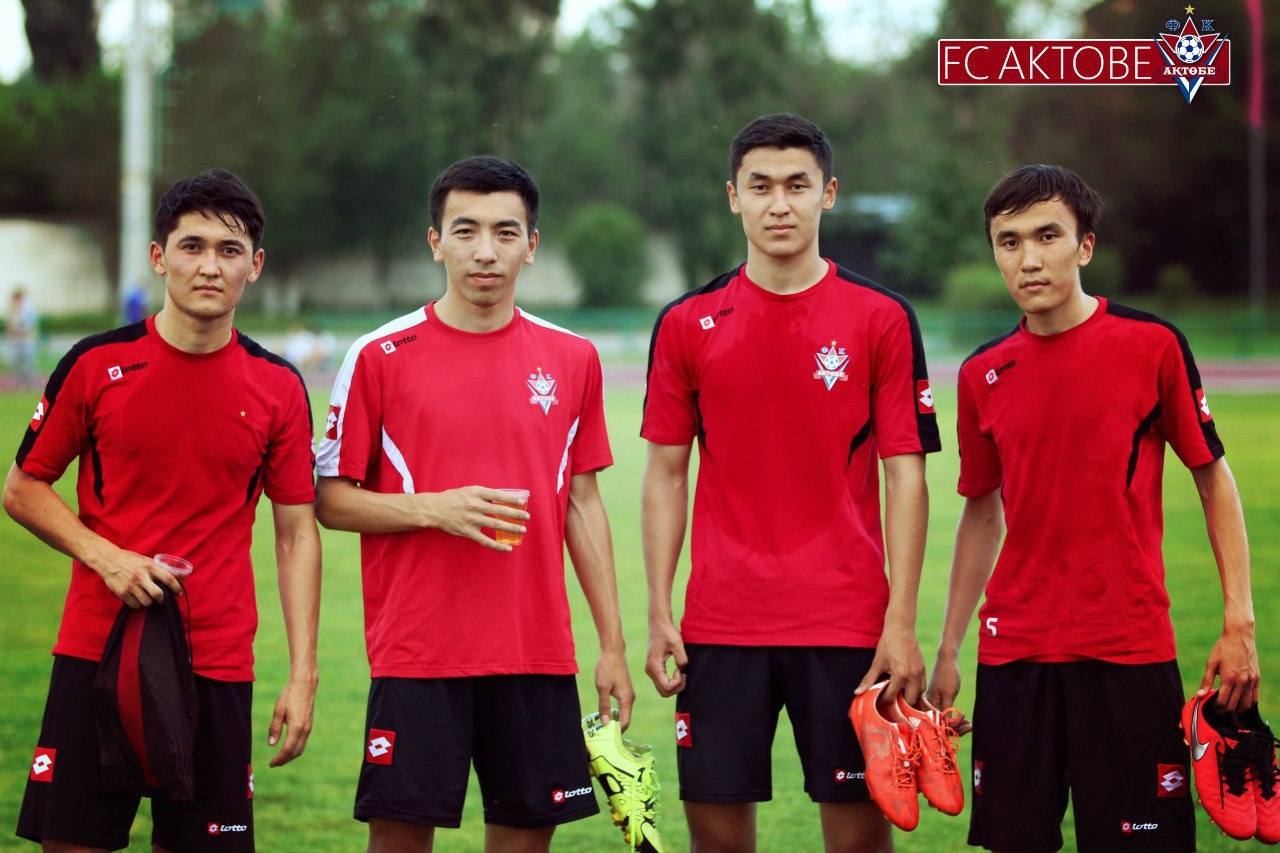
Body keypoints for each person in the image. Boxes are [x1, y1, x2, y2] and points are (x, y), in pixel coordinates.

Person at [926, 164, 1260, 852]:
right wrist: (948, 649)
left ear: (1085, 246)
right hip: (1014, 653)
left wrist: (1240, 622)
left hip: (1127, 646)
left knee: (1140, 843)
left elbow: (1213, 479)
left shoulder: (1152, 345)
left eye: (1047, 235)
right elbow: (982, 512)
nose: (1028, 258)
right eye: (1009, 241)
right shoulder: (981, 374)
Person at [314, 155, 635, 853]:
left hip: (534, 652)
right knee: (399, 840)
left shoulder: (573, 357)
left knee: (524, 839)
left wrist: (611, 645)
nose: (485, 250)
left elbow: (582, 502)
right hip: (418, 651)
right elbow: (331, 500)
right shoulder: (379, 355)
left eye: (505, 232)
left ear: (531, 244)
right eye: (465, 231)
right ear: (436, 242)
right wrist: (436, 509)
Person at [641, 113, 941, 852]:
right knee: (716, 841)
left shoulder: (881, 317)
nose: (780, 203)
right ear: (733, 197)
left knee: (860, 840)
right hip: (719, 625)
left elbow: (906, 477)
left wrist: (901, 621)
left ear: (828, 194)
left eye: (797, 185)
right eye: (761, 186)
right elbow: (666, 474)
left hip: (849, 626)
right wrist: (658, 608)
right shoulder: (686, 322)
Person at [5, 169, 322, 853]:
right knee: (73, 844)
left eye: (230, 250)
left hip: (216, 660)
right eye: (192, 246)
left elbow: (297, 533)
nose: (210, 266)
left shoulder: (277, 386)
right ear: (159, 256)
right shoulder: (96, 364)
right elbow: (22, 487)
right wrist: (107, 558)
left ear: (255, 266)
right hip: (98, 647)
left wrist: (303, 673)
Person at [7, 286, 39, 384]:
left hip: (26, 337)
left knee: (28, 358)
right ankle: (18, 378)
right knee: (16, 358)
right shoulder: (14, 308)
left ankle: (30, 378)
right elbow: (11, 324)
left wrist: (26, 333)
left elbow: (31, 324)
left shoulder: (28, 308)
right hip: (17, 338)